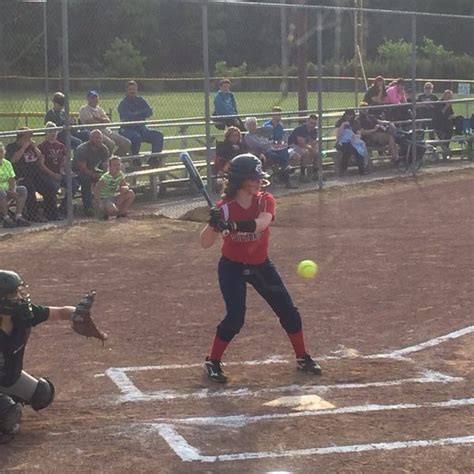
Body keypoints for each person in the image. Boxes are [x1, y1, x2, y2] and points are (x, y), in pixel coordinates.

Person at [200, 154, 322, 383]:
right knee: (235, 318)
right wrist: (213, 223)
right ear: (239, 180)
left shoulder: (265, 200)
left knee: (289, 312)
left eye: (258, 177)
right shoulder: (224, 209)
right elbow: (205, 243)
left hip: (260, 265)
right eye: (252, 177)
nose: (257, 181)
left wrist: (234, 225)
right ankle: (212, 361)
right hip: (232, 267)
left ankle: (302, 357)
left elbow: (262, 223)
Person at [0, 270, 96, 443]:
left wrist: (78, 314)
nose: (18, 297)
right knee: (5, 410)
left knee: (42, 394)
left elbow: (60, 312)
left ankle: (7, 399)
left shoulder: (23, 315)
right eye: (11, 294)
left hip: (6, 375)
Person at [5, 128, 59, 222]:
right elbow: (13, 160)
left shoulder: (31, 146)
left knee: (50, 187)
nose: (31, 138)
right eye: (28, 136)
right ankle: (33, 215)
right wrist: (23, 148)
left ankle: (52, 214)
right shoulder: (12, 146)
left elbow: (41, 156)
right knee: (30, 188)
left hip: (36, 176)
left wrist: (34, 147)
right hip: (22, 177)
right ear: (21, 137)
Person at [38, 122, 80, 218]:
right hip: (47, 174)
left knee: (74, 184)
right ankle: (52, 213)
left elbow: (65, 162)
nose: (53, 133)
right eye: (50, 131)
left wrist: (64, 171)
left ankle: (63, 209)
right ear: (46, 133)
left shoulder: (61, 146)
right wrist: (53, 174)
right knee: (53, 186)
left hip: (59, 173)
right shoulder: (42, 146)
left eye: (55, 131)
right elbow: (41, 165)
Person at [243, 117, 297, 189]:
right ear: (248, 127)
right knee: (277, 156)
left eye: (255, 124)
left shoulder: (260, 132)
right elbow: (260, 145)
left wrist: (260, 129)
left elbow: (270, 128)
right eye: (251, 125)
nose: (254, 126)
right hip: (260, 153)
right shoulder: (248, 136)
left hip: (270, 149)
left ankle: (285, 171)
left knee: (284, 152)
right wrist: (270, 143)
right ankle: (284, 176)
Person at [117, 80, 164, 158]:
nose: (133, 91)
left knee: (158, 135)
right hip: (127, 130)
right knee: (136, 137)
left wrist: (135, 114)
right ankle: (135, 159)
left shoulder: (140, 100)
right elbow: (127, 116)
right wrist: (141, 114)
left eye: (134, 89)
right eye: (130, 89)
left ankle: (154, 159)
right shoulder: (123, 103)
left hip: (141, 129)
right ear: (127, 90)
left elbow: (149, 112)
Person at [79, 90, 131, 156]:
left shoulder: (99, 109)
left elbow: (108, 121)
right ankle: (106, 162)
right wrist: (102, 120)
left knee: (126, 143)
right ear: (88, 99)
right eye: (92, 98)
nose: (95, 100)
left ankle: (113, 160)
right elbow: (90, 122)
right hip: (94, 133)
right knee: (111, 144)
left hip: (107, 131)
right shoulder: (84, 109)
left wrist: (98, 118)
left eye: (96, 97)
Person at [73, 129, 110, 216]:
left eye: (100, 138)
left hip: (92, 169)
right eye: (95, 138)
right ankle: (88, 208)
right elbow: (82, 168)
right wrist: (95, 175)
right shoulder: (82, 149)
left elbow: (105, 165)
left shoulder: (104, 149)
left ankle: (106, 204)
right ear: (90, 138)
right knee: (86, 180)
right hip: (77, 171)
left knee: (107, 179)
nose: (98, 140)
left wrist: (105, 176)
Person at [0, 142, 30, 228]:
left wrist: (13, 190)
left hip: (8, 190)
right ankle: (6, 218)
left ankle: (18, 216)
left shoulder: (6, 163)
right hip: (1, 192)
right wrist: (9, 192)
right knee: (2, 193)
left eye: (1, 151)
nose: (0, 154)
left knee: (22, 189)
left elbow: (12, 179)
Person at [287, 114, 320, 182]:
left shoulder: (314, 130)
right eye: (311, 123)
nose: (312, 125)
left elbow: (313, 143)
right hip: (293, 146)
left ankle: (315, 173)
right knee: (306, 153)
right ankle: (302, 175)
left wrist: (314, 151)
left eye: (314, 124)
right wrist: (312, 149)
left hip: (305, 146)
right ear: (307, 121)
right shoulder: (301, 129)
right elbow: (301, 143)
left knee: (318, 153)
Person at [335, 110, 368, 176]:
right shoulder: (340, 122)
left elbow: (359, 134)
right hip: (342, 142)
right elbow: (338, 135)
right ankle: (343, 168)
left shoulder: (356, 122)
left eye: (350, 115)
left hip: (354, 141)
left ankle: (362, 170)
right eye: (347, 115)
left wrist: (354, 137)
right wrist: (343, 125)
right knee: (348, 149)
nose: (349, 117)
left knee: (358, 150)